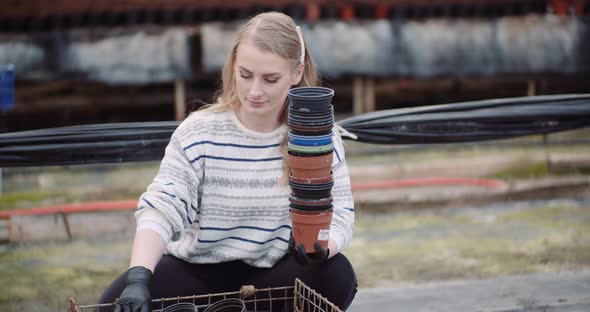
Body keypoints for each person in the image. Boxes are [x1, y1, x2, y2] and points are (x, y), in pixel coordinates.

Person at [99, 11, 356, 312]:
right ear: (233, 65)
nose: (255, 91)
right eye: (245, 74)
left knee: (336, 274)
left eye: (270, 79)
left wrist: (323, 249)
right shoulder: (200, 131)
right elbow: (162, 207)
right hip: (198, 270)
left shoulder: (315, 135)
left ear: (297, 73)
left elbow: (339, 213)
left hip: (274, 274)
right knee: (112, 305)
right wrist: (139, 278)